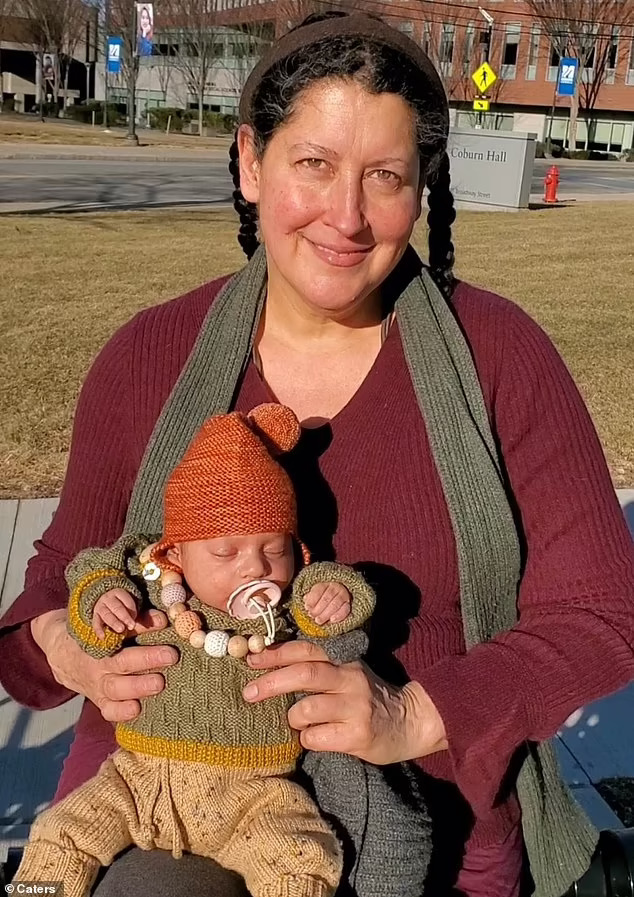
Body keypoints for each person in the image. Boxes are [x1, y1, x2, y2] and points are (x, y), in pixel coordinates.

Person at [1, 10, 633, 897]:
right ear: (251, 162)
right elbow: (55, 580)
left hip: (424, 819)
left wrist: (414, 712)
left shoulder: (501, 358)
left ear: (422, 187)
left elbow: (603, 613)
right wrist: (69, 647)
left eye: (385, 176)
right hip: (169, 797)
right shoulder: (147, 359)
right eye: (314, 164)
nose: (347, 216)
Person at [14, 403, 378, 897]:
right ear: (176, 553)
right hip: (136, 781)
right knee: (60, 834)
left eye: (274, 550)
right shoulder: (152, 587)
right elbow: (88, 570)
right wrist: (102, 600)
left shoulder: (287, 605)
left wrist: (335, 597)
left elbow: (341, 602)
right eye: (226, 552)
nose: (256, 568)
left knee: (300, 860)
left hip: (254, 795)